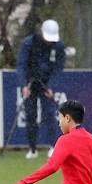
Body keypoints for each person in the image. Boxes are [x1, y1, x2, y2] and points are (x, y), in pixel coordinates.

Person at [16, 19, 65, 159]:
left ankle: (53, 146)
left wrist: (51, 86)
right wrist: (24, 85)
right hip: (30, 83)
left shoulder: (58, 46)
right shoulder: (28, 43)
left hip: (47, 84)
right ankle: (32, 149)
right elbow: (21, 65)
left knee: (49, 114)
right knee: (30, 114)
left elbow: (58, 68)